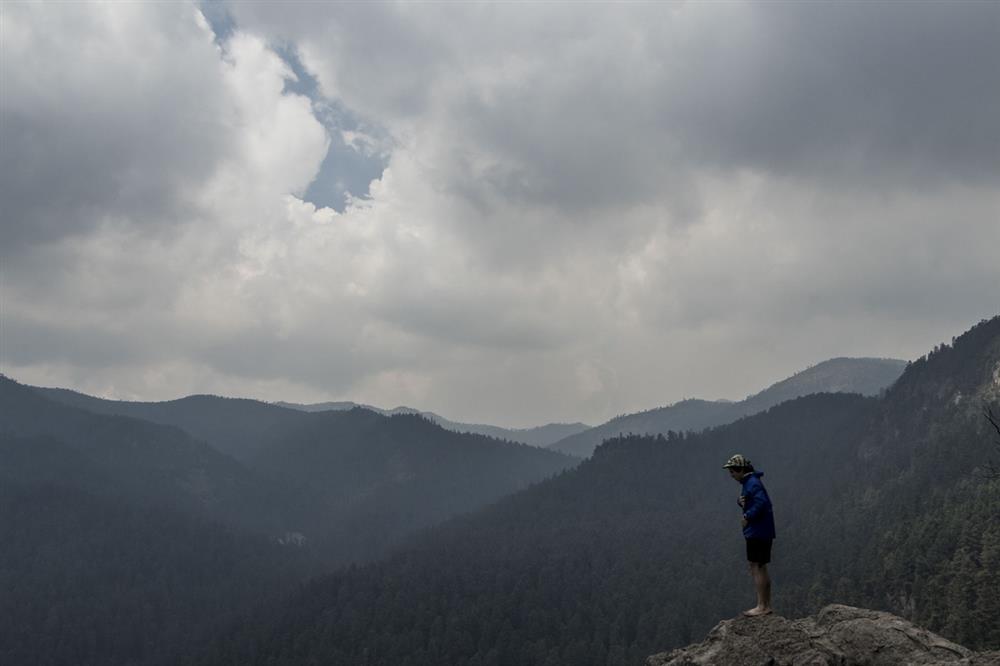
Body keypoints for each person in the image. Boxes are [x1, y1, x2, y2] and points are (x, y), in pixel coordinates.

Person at [723, 454, 775, 617]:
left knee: (757, 566)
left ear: (740, 470)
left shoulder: (752, 483)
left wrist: (747, 516)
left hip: (758, 531)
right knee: (759, 566)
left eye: (732, 472)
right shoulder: (750, 482)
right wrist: (741, 502)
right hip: (761, 530)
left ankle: (762, 606)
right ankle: (764, 605)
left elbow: (762, 503)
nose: (731, 476)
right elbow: (754, 501)